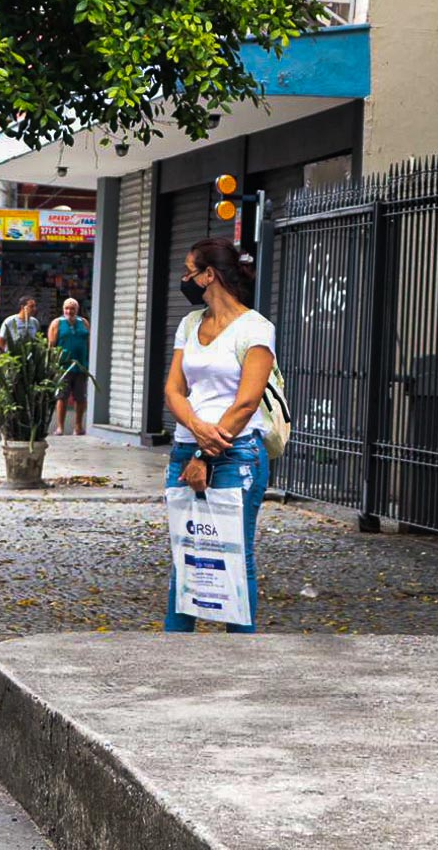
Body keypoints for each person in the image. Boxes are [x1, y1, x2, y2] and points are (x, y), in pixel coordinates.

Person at [163, 237, 276, 634]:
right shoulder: (190, 324)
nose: (184, 279)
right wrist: (195, 430)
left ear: (209, 275)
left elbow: (247, 403)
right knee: (186, 555)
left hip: (235, 455)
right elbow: (174, 389)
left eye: (189, 271)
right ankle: (175, 650)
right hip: (185, 449)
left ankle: (239, 656)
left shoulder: (255, 329)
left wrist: (205, 456)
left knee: (233, 557)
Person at [48, 298, 90, 435]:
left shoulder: (83, 322)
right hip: (63, 367)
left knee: (81, 397)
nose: (69, 311)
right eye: (66, 308)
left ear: (77, 310)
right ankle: (60, 427)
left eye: (72, 308)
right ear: (63, 309)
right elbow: (51, 345)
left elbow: (89, 342)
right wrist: (52, 365)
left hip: (81, 366)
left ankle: (78, 426)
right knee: (62, 397)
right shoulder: (57, 323)